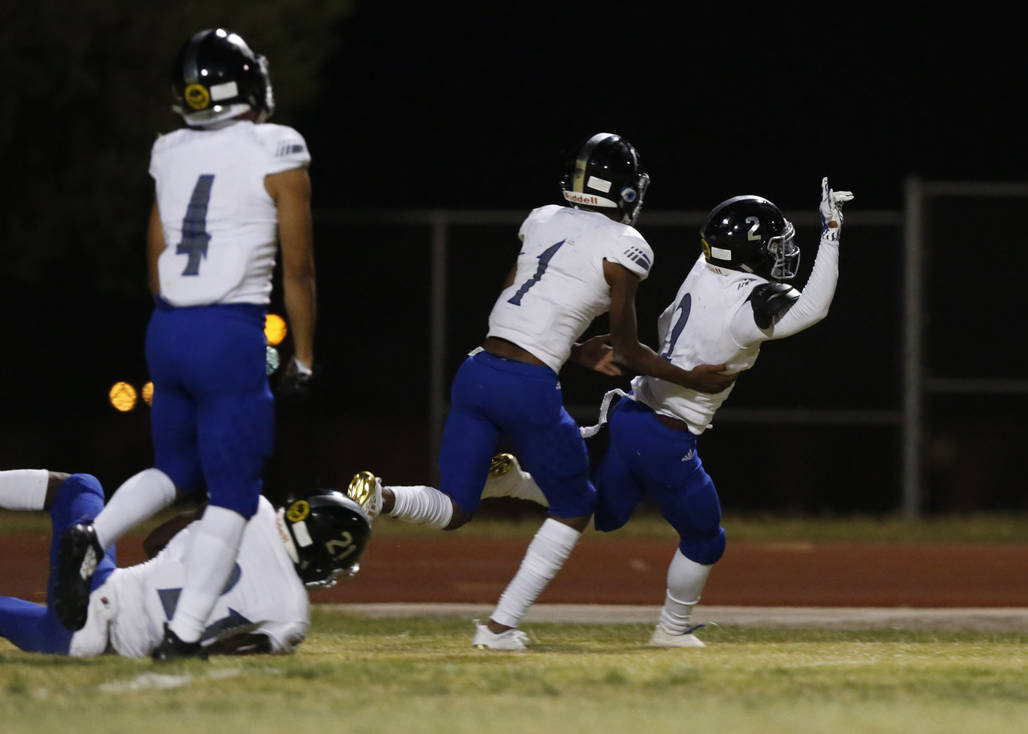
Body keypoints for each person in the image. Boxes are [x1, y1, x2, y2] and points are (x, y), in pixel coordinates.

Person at [346, 132, 737, 650]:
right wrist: (689, 378)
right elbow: (626, 349)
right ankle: (500, 627)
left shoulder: (542, 219)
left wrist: (574, 350)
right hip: (527, 388)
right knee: (576, 505)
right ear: (622, 189)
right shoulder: (627, 247)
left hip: (479, 369)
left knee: (455, 506)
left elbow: (517, 302)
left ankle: (382, 496)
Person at [491, 178, 853, 647]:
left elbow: (733, 272)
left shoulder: (703, 267)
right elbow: (813, 308)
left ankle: (515, 483)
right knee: (706, 538)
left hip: (632, 414)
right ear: (750, 250)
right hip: (666, 435)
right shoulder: (749, 303)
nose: (783, 251)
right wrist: (830, 229)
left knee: (597, 506)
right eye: (776, 243)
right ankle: (672, 629)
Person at [55, 27, 317, 660]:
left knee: (174, 469)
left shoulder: (169, 150)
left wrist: (179, 329)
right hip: (228, 329)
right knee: (233, 492)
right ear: (246, 84)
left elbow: (155, 258)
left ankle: (94, 534)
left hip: (168, 326)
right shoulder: (276, 147)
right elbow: (298, 268)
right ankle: (185, 632)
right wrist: (303, 355)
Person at [0, 468, 370, 657]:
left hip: (98, 592)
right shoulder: (293, 616)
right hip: (79, 646)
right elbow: (213, 653)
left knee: (80, 487)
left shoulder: (249, 505)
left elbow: (153, 542)